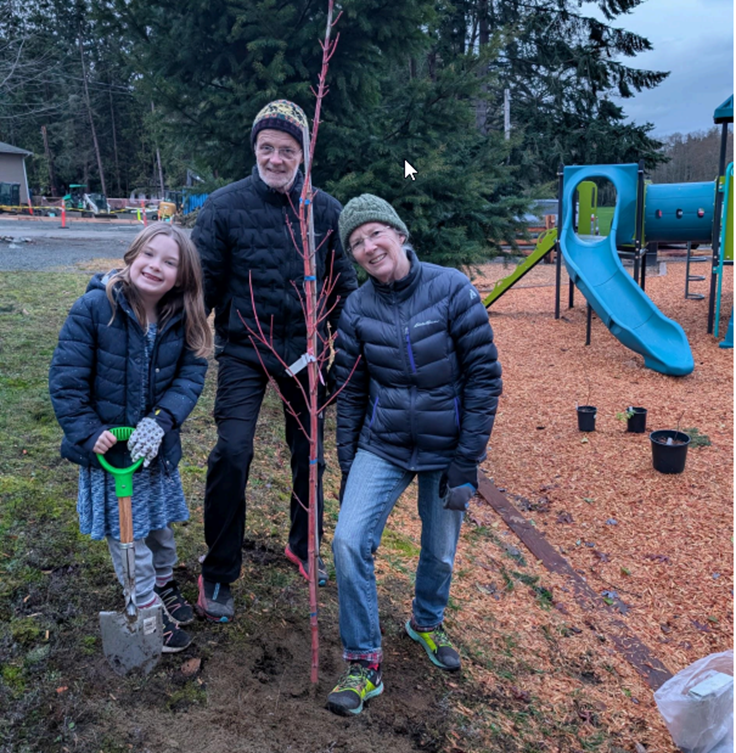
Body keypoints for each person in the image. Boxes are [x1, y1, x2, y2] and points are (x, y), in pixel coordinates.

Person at [326, 195, 502, 716]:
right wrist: (348, 465)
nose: (367, 247)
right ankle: (363, 662)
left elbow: (483, 378)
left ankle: (426, 621)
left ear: (399, 234)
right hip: (384, 444)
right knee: (348, 540)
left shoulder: (451, 289)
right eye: (356, 243)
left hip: (447, 446)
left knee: (440, 548)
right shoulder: (356, 309)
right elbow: (351, 392)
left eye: (374, 233)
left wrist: (467, 459)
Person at [191, 99, 357, 622]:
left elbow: (344, 289)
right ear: (255, 150)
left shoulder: (325, 211)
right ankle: (218, 569)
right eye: (268, 148)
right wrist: (191, 343)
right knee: (232, 453)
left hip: (303, 352)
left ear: (303, 153)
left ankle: (303, 543)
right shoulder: (222, 207)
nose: (277, 158)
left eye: (287, 149)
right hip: (244, 349)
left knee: (310, 452)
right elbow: (203, 288)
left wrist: (342, 346)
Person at [49, 223, 211, 652]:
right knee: (129, 538)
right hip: (112, 459)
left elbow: (191, 377)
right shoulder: (94, 309)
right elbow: (66, 381)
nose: (156, 267)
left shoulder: (182, 317)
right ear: (132, 256)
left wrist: (162, 421)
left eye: (170, 262)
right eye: (149, 255)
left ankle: (163, 583)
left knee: (158, 529)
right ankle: (142, 605)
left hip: (153, 453)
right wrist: (88, 432)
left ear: (183, 275)